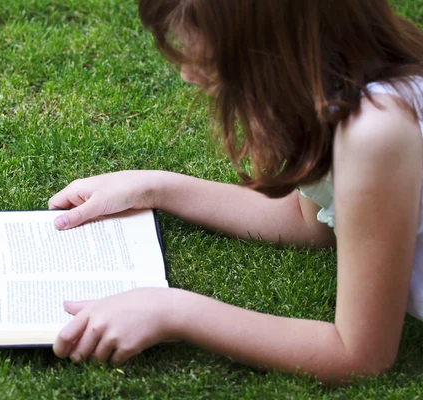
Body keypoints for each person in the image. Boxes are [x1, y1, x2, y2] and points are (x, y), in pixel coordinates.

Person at [48, 0, 423, 384]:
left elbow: (358, 355)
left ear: (273, 50)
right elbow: (308, 221)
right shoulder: (344, 95)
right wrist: (155, 186)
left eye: (208, 58)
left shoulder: (377, 131)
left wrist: (172, 311)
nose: (187, 74)